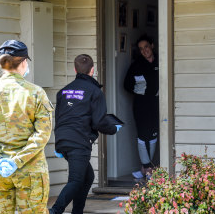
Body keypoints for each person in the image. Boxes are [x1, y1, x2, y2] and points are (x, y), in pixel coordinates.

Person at [0, 40, 53, 214]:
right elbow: (42, 135)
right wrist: (17, 161)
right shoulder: (36, 93)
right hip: (30, 171)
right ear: (23, 62)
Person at [49, 54, 122, 214]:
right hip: (79, 142)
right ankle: (54, 211)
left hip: (64, 140)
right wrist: (113, 128)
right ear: (92, 70)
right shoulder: (95, 92)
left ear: (75, 69)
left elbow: (59, 118)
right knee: (75, 180)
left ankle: (77, 211)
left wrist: (58, 143)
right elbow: (99, 122)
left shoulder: (63, 92)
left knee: (87, 177)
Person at [124, 34, 159, 179]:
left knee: (153, 135)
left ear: (152, 45)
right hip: (141, 105)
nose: (144, 51)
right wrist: (138, 90)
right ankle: (147, 168)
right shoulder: (137, 65)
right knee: (142, 135)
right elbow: (126, 84)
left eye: (146, 47)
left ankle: (146, 168)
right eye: (141, 49)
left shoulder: (161, 60)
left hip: (157, 104)